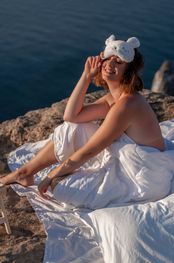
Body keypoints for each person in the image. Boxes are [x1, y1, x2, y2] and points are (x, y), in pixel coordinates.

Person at [0, 35, 165, 200]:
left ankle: (32, 174)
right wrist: (86, 76)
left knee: (59, 187)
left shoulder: (127, 104)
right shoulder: (113, 98)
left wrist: (52, 174)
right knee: (72, 129)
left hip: (141, 175)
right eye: (108, 59)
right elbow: (71, 116)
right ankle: (24, 173)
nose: (110, 64)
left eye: (119, 62)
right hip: (128, 161)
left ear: (129, 72)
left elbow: (91, 149)